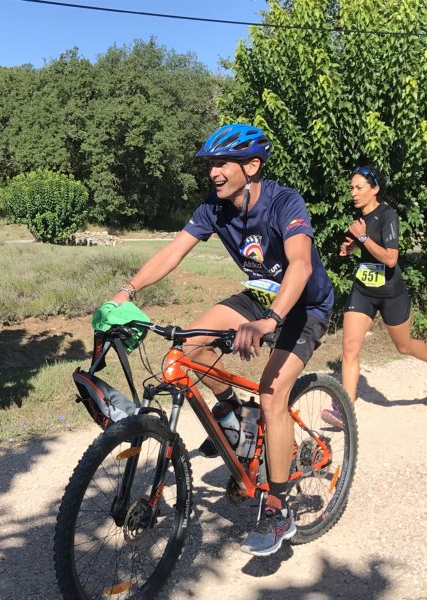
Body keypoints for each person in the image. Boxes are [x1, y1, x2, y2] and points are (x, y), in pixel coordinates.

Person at [109, 123, 334, 556]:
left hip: (304, 306)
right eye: (210, 164)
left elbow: (301, 265)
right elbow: (173, 251)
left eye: (222, 163)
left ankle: (277, 507)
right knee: (185, 352)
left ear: (252, 166)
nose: (213, 172)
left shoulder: (284, 201)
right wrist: (127, 292)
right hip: (259, 297)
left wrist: (270, 321)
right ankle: (234, 415)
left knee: (272, 396)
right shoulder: (214, 208)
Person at [321, 165, 427, 428]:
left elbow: (390, 259)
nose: (353, 193)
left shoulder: (388, 215)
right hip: (363, 290)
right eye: (351, 188)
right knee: (349, 347)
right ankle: (344, 410)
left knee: (404, 346)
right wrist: (352, 246)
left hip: (391, 293)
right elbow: (368, 246)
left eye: (359, 188)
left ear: (375, 189)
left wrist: (362, 237)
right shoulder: (360, 217)